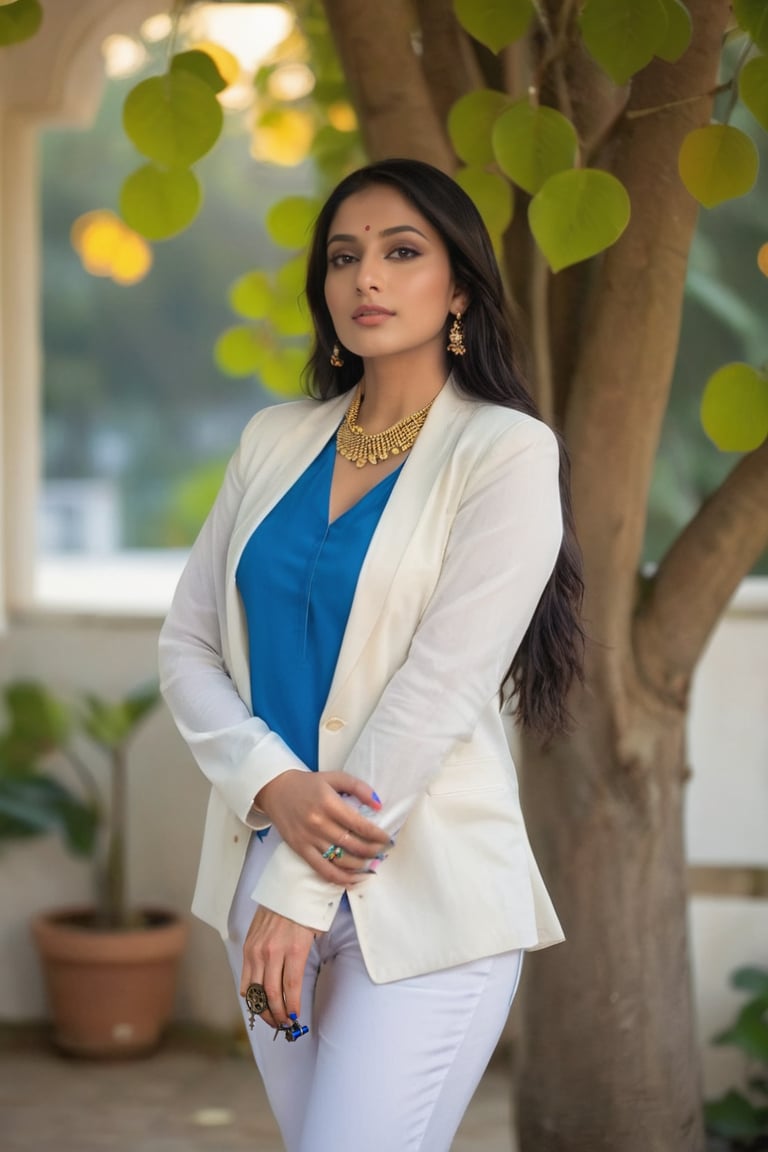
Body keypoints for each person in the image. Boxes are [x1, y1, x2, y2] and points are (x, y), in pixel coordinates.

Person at [158, 157, 584, 1152]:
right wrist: (272, 787)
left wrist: (303, 896)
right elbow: (187, 644)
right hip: (263, 874)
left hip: (423, 893)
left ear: (461, 288)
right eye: (344, 258)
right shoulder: (273, 440)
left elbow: (437, 691)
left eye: (402, 252)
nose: (367, 280)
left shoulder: (506, 453)